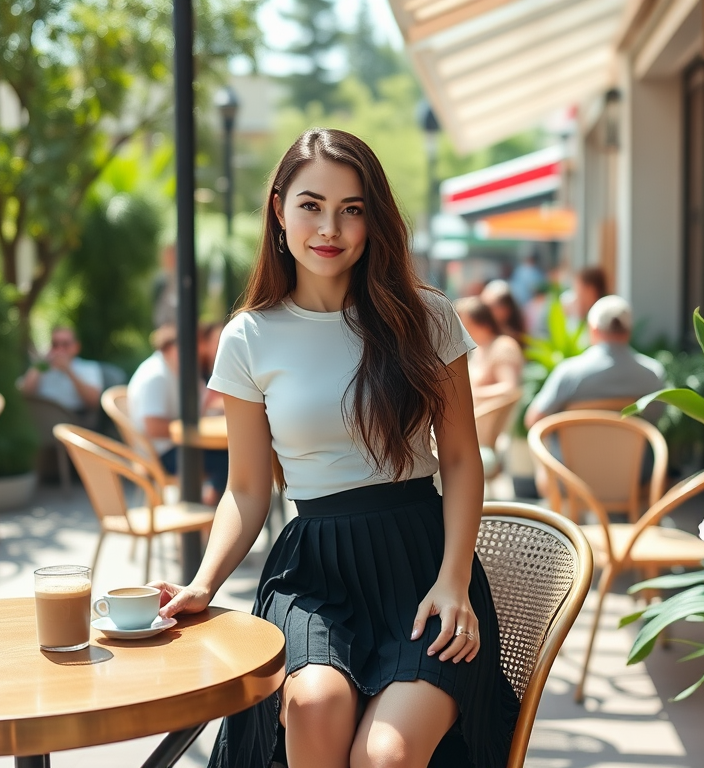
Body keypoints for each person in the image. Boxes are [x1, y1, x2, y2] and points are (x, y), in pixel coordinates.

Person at [150, 129, 518, 768]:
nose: (330, 227)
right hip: (315, 571)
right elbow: (246, 488)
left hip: (422, 564)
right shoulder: (248, 338)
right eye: (311, 205)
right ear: (279, 209)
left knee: (387, 755)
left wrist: (454, 581)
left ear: (374, 219)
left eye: (352, 209)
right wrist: (204, 583)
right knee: (314, 709)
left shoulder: (427, 319)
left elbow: (461, 459)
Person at [524, 295, 665, 428]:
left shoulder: (569, 373)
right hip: (634, 454)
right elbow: (657, 417)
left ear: (593, 329)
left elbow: (533, 419)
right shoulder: (653, 374)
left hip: (571, 454)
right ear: (629, 331)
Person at [126, 324, 228, 504]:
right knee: (229, 460)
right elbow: (153, 428)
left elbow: (205, 404)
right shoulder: (155, 376)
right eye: (193, 347)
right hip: (161, 455)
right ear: (174, 348)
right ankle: (204, 512)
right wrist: (192, 427)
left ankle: (205, 511)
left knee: (231, 456)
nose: (199, 353)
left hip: (175, 446)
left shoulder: (177, 370)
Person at [455, 296, 522, 407]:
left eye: (463, 322)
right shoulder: (478, 349)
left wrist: (474, 394)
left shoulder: (502, 347)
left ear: (481, 323)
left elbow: (510, 388)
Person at [19, 326, 102, 416]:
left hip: (73, 419)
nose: (60, 349)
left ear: (77, 347)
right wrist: (39, 365)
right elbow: (23, 394)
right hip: (39, 418)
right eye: (55, 345)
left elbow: (94, 402)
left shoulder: (88, 367)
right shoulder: (41, 368)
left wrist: (69, 371)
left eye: (65, 344)